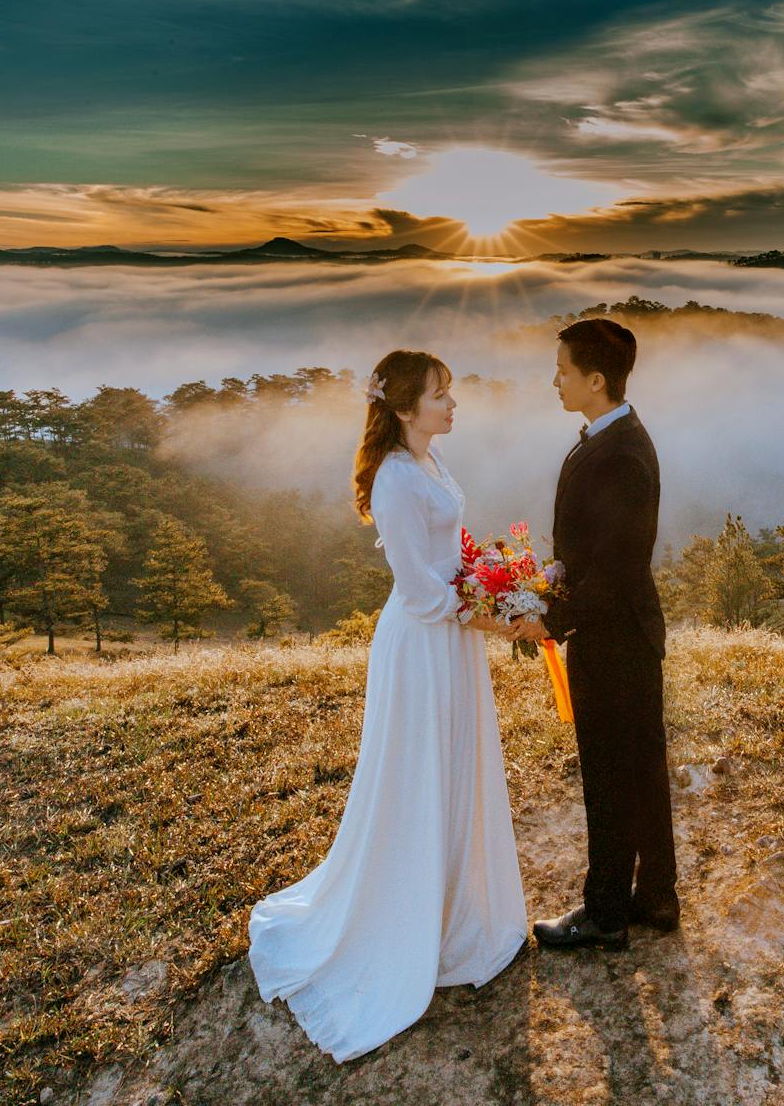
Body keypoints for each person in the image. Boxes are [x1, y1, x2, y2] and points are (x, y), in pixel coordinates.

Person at [247, 350, 527, 1062]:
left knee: (455, 763)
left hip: (453, 639)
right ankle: (402, 921)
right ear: (405, 408)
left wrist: (493, 579)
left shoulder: (428, 463)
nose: (452, 403)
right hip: (424, 642)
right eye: (440, 395)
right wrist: (496, 616)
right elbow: (419, 586)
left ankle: (453, 909)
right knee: (415, 775)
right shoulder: (395, 478)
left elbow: (452, 560)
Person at [509, 318, 678, 950]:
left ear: (596, 380)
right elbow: (587, 551)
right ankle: (658, 898)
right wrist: (546, 579)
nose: (555, 379)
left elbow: (615, 569)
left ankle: (606, 913)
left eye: (563, 370)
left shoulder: (623, 457)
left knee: (610, 774)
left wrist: (550, 617)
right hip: (620, 630)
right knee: (640, 767)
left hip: (615, 637)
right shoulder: (609, 438)